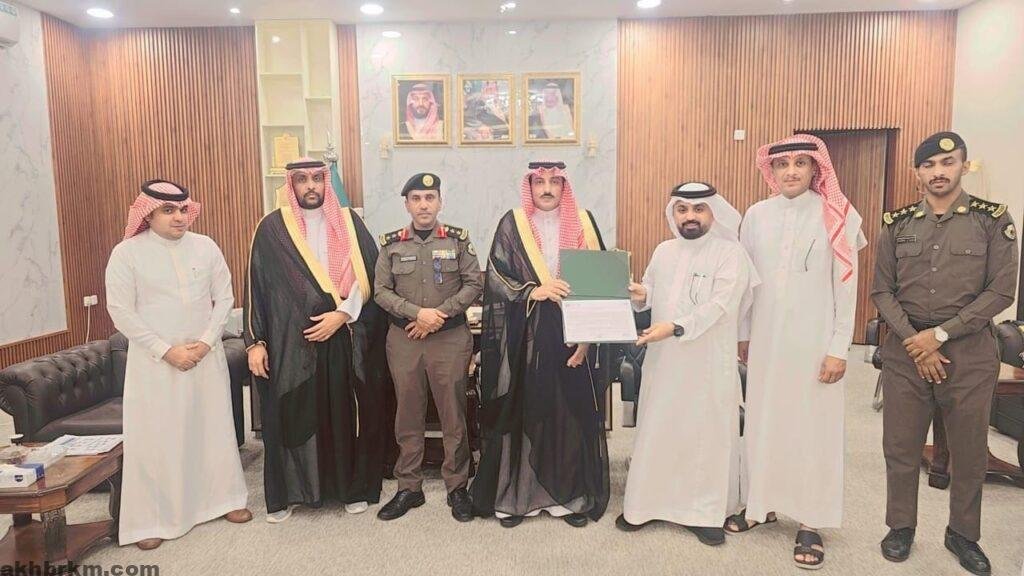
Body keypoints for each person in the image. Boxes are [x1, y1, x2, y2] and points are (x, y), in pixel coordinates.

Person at [872, 132, 1017, 576]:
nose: (938, 172)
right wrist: (916, 341)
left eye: (947, 163)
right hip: (906, 353)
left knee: (969, 452)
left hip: (969, 355)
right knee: (901, 446)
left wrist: (939, 335)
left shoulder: (992, 220)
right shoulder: (897, 223)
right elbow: (882, 291)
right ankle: (900, 527)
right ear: (917, 172)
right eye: (929, 165)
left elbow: (1001, 292)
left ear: (963, 167)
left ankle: (963, 534)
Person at [730, 134, 868, 569]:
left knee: (813, 429)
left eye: (800, 163)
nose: (790, 171)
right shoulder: (756, 215)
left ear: (815, 168)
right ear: (770, 170)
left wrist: (839, 347)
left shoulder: (838, 214)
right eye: (782, 164)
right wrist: (744, 333)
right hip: (766, 340)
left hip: (815, 342)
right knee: (764, 421)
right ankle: (761, 504)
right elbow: (748, 284)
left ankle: (811, 520)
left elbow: (847, 288)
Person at [106, 180, 251, 550]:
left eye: (183, 209)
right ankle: (151, 520)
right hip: (155, 363)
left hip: (205, 357)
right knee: (157, 437)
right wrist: (165, 350)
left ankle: (225, 500)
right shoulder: (127, 254)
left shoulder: (206, 247)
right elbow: (120, 310)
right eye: (168, 210)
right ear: (147, 214)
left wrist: (205, 343)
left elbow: (225, 299)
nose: (179, 217)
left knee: (212, 428)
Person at [244, 158, 388, 523]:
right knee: (294, 412)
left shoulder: (350, 222)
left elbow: (371, 278)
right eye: (302, 179)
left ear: (326, 182)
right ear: (291, 185)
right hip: (290, 343)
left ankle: (350, 490)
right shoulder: (272, 228)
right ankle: (292, 493)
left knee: (345, 412)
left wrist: (342, 315)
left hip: (343, 335)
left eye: (317, 178)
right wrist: (255, 342)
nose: (311, 186)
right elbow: (257, 287)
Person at [469, 161, 610, 528]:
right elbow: (497, 277)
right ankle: (519, 499)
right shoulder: (513, 223)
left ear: (564, 186)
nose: (547, 188)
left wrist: (586, 342)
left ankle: (568, 497)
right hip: (526, 335)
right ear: (529, 186)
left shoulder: (584, 223)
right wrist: (535, 291)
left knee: (567, 415)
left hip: (572, 335)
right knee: (524, 411)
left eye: (554, 182)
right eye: (540, 182)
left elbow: (598, 287)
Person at [618, 182, 758, 547]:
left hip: (707, 363)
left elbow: (721, 306)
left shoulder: (730, 254)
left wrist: (676, 327)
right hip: (663, 361)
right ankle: (645, 506)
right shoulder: (664, 251)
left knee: (703, 435)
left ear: (713, 213)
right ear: (674, 214)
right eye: (682, 209)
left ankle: (702, 514)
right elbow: (653, 291)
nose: (689, 216)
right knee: (659, 428)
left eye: (698, 209)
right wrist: (640, 294)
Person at [373, 173, 483, 522]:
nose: (423, 205)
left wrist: (438, 315)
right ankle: (409, 486)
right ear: (407, 204)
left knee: (453, 414)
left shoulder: (457, 240)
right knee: (407, 413)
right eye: (416, 198)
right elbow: (380, 291)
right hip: (404, 340)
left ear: (440, 202)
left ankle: (457, 486)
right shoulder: (391, 245)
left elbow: (473, 284)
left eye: (430, 198)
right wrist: (417, 314)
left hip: (449, 339)